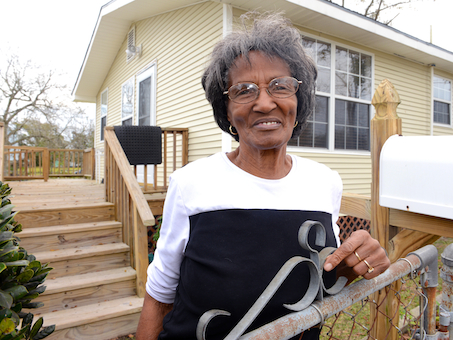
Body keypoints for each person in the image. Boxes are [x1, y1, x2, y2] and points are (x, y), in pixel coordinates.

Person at [136, 12, 390, 340]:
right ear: (226, 109)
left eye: (280, 86)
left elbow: (322, 279)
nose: (264, 102)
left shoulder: (325, 182)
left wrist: (355, 261)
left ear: (299, 100)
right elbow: (159, 295)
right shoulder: (192, 183)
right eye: (244, 90)